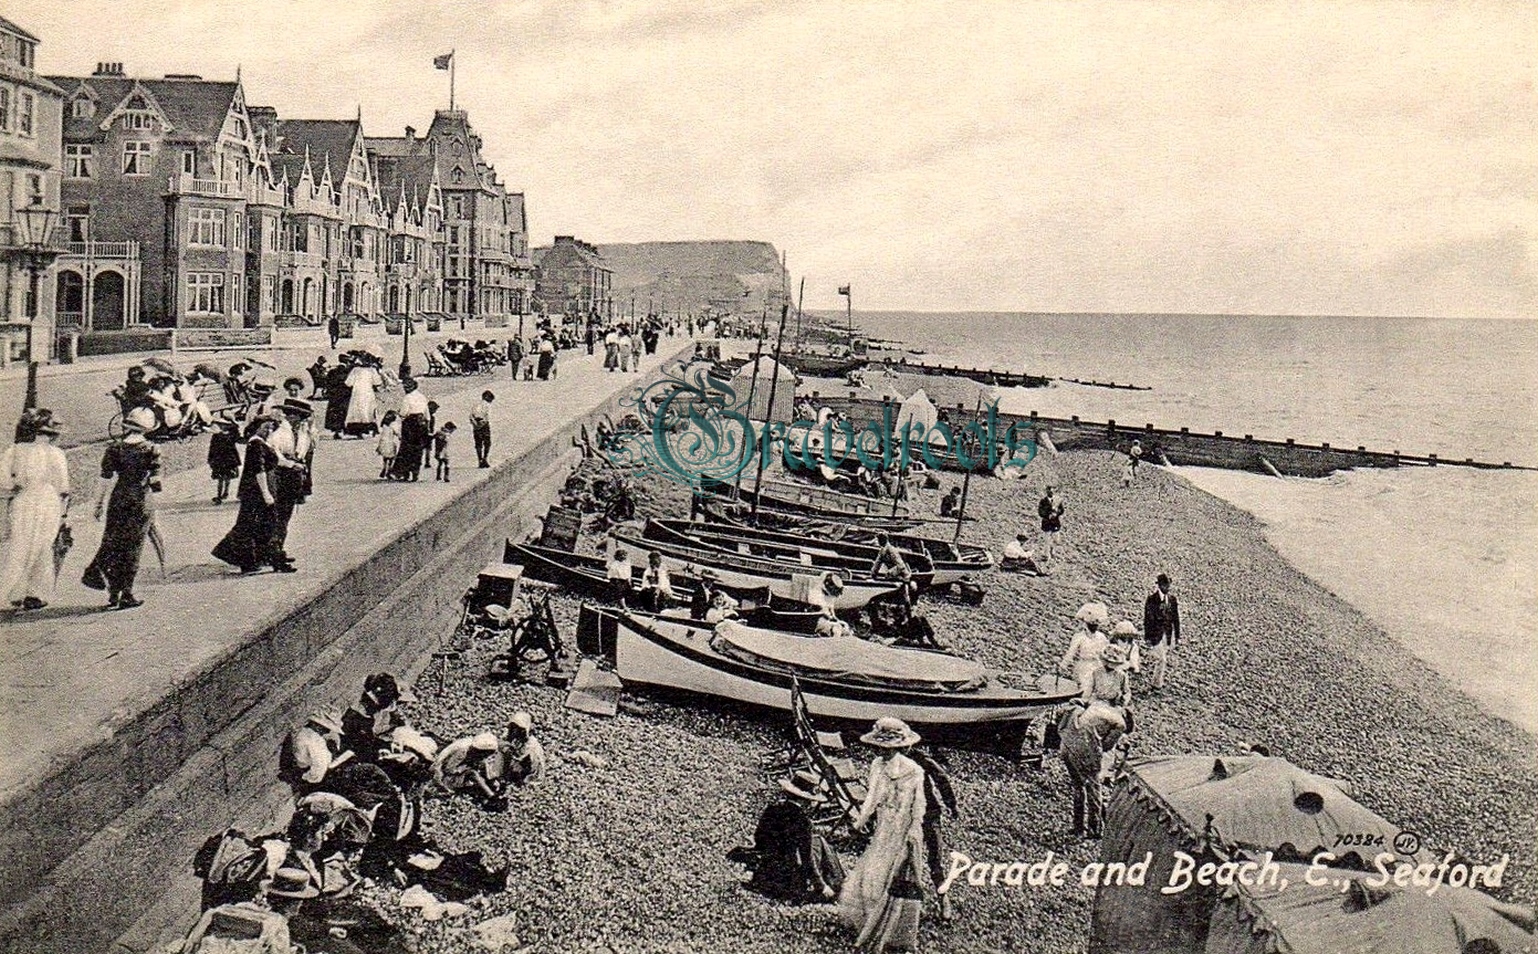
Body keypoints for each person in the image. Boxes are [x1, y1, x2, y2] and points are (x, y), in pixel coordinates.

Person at [839, 718, 929, 954]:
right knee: (873, 870)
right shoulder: (877, 765)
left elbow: (918, 805)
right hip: (884, 824)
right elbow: (872, 797)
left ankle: (891, 928)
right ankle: (868, 918)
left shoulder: (914, 771)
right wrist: (860, 821)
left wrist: (913, 831)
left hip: (904, 827)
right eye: (879, 748)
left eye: (887, 748)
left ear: (898, 747)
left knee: (894, 872)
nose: (882, 752)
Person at [81, 416, 162, 609]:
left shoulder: (114, 448)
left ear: (126, 428)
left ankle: (112, 594)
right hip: (140, 500)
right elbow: (156, 482)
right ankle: (127, 593)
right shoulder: (151, 449)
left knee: (113, 543)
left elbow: (104, 479)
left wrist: (98, 504)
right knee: (133, 547)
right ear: (146, 429)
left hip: (118, 498)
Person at [0, 411, 71, 612]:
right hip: (48, 501)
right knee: (42, 547)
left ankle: (12, 591)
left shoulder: (14, 451)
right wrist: (64, 513)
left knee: (19, 546)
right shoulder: (56, 454)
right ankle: (34, 593)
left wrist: (16, 485)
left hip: (23, 501)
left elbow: (3, 480)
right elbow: (63, 486)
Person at [211, 417, 288, 573]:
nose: (269, 431)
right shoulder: (256, 444)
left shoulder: (262, 443)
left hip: (261, 489)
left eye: (271, 428)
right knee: (248, 525)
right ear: (256, 427)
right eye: (265, 427)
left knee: (256, 524)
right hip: (256, 491)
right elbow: (259, 470)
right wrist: (266, 493)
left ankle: (257, 558)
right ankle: (245, 561)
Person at [906, 746, 959, 921]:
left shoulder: (920, 759)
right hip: (905, 815)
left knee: (935, 858)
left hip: (929, 813)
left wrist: (951, 804)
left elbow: (941, 778)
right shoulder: (889, 762)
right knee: (904, 859)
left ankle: (944, 899)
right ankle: (904, 904)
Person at [267, 398, 314, 569]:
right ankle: (275, 553)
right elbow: (273, 453)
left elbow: (304, 450)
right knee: (278, 515)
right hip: (281, 475)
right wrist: (291, 463)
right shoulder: (280, 432)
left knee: (286, 514)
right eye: (297, 416)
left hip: (294, 476)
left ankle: (278, 548)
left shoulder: (301, 431)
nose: (299, 420)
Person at [431, 732, 503, 804]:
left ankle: (489, 792)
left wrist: (491, 778)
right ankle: (492, 797)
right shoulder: (462, 752)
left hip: (453, 773)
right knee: (473, 773)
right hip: (442, 778)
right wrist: (466, 768)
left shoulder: (470, 744)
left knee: (478, 771)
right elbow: (448, 769)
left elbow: (484, 762)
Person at [1059, 602, 1111, 693]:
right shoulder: (1079, 637)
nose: (1094, 627)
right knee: (1085, 689)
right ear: (1086, 624)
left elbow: (1106, 652)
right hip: (1084, 667)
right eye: (1092, 625)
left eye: (1096, 625)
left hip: (1097, 665)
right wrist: (1063, 665)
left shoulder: (1101, 637)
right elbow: (1071, 653)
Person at [1142, 573, 1181, 691]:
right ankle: (1157, 684)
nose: (1168, 587)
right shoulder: (1152, 599)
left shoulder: (1172, 600)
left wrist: (1177, 636)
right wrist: (1147, 637)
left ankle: (1156, 680)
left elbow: (1176, 619)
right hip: (1155, 634)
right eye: (1165, 585)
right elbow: (1147, 619)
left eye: (1169, 585)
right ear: (1160, 585)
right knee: (1162, 659)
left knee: (1161, 658)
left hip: (1167, 635)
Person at [391, 378, 430, 481]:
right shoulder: (422, 397)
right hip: (422, 424)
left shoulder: (407, 398)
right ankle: (415, 473)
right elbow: (427, 414)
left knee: (407, 448)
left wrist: (400, 414)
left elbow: (403, 413)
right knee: (418, 449)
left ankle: (405, 473)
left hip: (410, 424)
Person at [493, 711, 546, 787]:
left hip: (528, 769)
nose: (514, 730)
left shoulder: (531, 744)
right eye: (512, 727)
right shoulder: (514, 736)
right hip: (518, 763)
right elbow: (501, 742)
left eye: (517, 728)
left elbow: (523, 760)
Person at [343, 357, 382, 438]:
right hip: (368, 393)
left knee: (357, 412)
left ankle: (357, 431)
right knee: (368, 411)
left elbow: (348, 383)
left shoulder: (355, 370)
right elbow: (378, 382)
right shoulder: (372, 370)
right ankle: (370, 429)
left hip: (357, 393)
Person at [207, 417, 242, 504]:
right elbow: (212, 448)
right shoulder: (216, 435)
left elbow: (237, 433)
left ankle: (225, 492)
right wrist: (211, 459)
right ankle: (219, 494)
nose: (222, 426)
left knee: (227, 477)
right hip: (221, 459)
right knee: (221, 478)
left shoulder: (231, 434)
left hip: (228, 458)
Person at [1037, 485, 1064, 568]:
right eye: (1049, 492)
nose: (1051, 493)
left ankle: (1053, 552)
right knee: (1047, 540)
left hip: (1055, 523)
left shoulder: (1057, 500)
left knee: (1056, 539)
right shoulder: (1043, 501)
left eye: (1052, 491)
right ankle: (1046, 555)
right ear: (1047, 492)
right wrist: (1048, 515)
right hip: (1047, 523)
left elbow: (1062, 510)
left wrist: (1056, 513)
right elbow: (1040, 512)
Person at [471, 391, 494, 468]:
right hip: (484, 425)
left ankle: (480, 459)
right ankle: (485, 458)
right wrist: (483, 424)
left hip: (476, 425)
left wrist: (475, 424)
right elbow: (487, 417)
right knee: (487, 443)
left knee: (478, 444)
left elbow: (471, 416)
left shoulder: (475, 405)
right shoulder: (487, 405)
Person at [376, 410, 401, 479]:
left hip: (383, 442)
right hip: (390, 443)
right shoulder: (393, 425)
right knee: (391, 458)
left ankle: (384, 467)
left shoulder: (383, 425)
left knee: (385, 457)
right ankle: (389, 471)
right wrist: (400, 437)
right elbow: (397, 433)